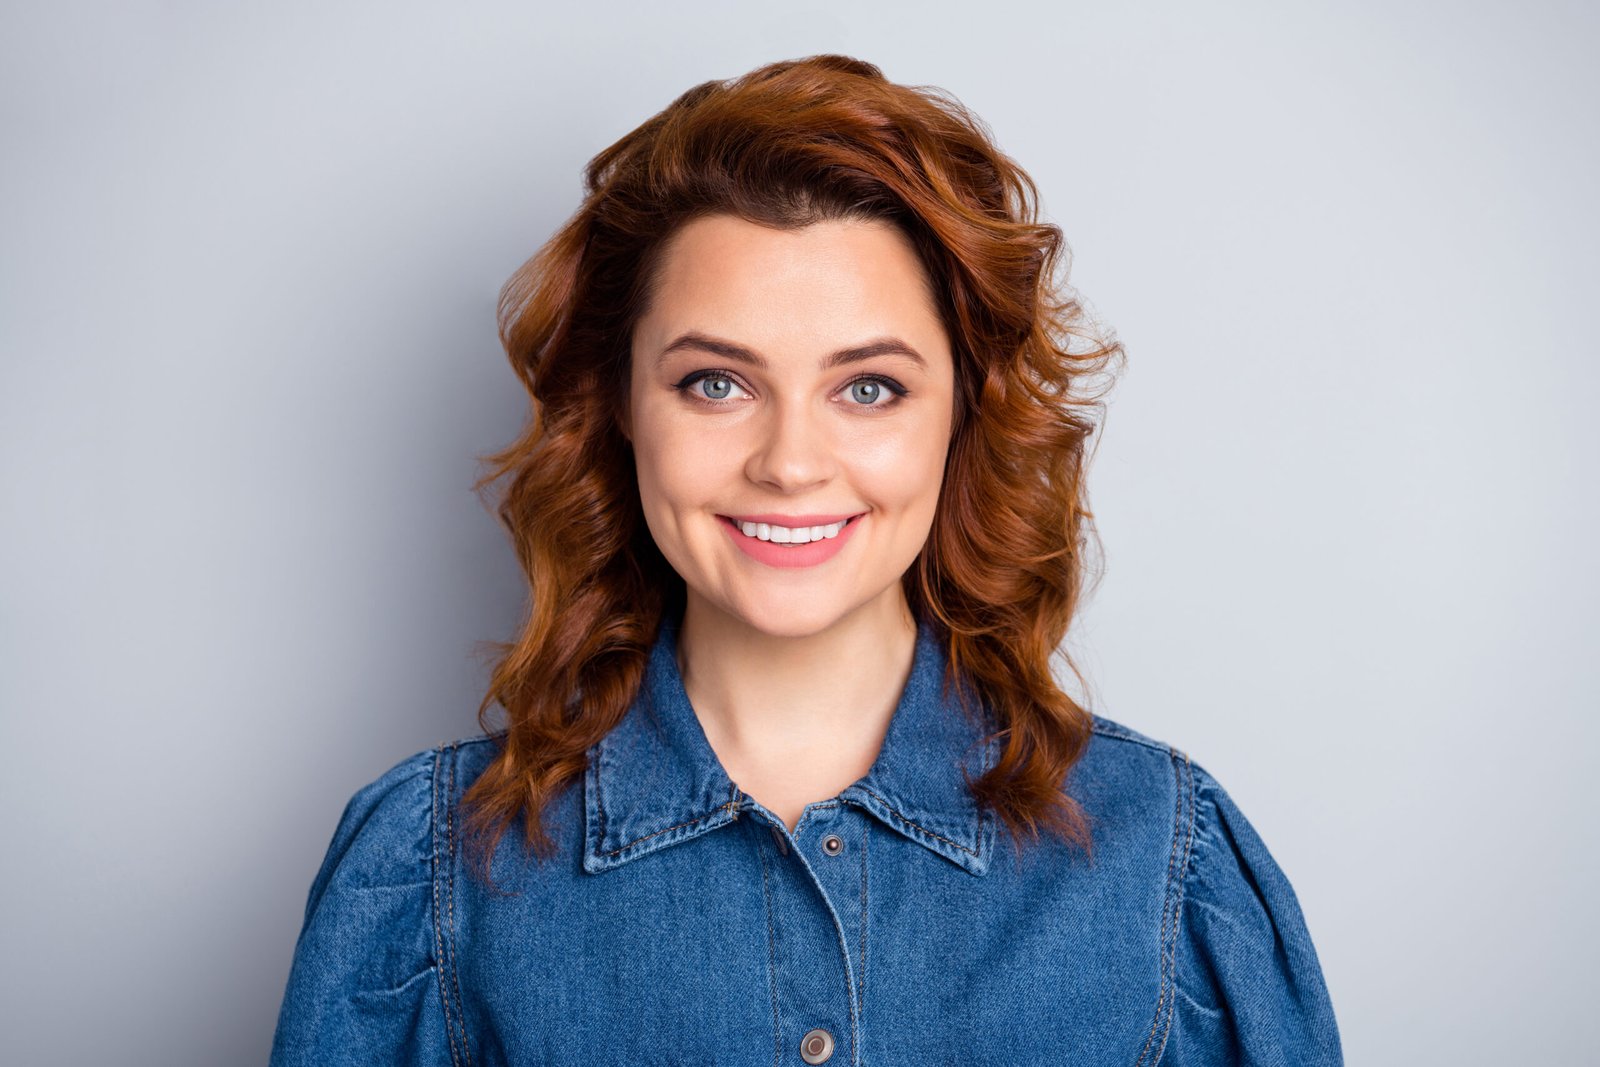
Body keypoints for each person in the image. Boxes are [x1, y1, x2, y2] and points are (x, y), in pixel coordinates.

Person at [268, 54, 1342, 1066]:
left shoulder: (1167, 856)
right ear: (619, 412)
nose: (788, 463)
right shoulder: (429, 869)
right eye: (715, 384)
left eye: (868, 386)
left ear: (963, 417)